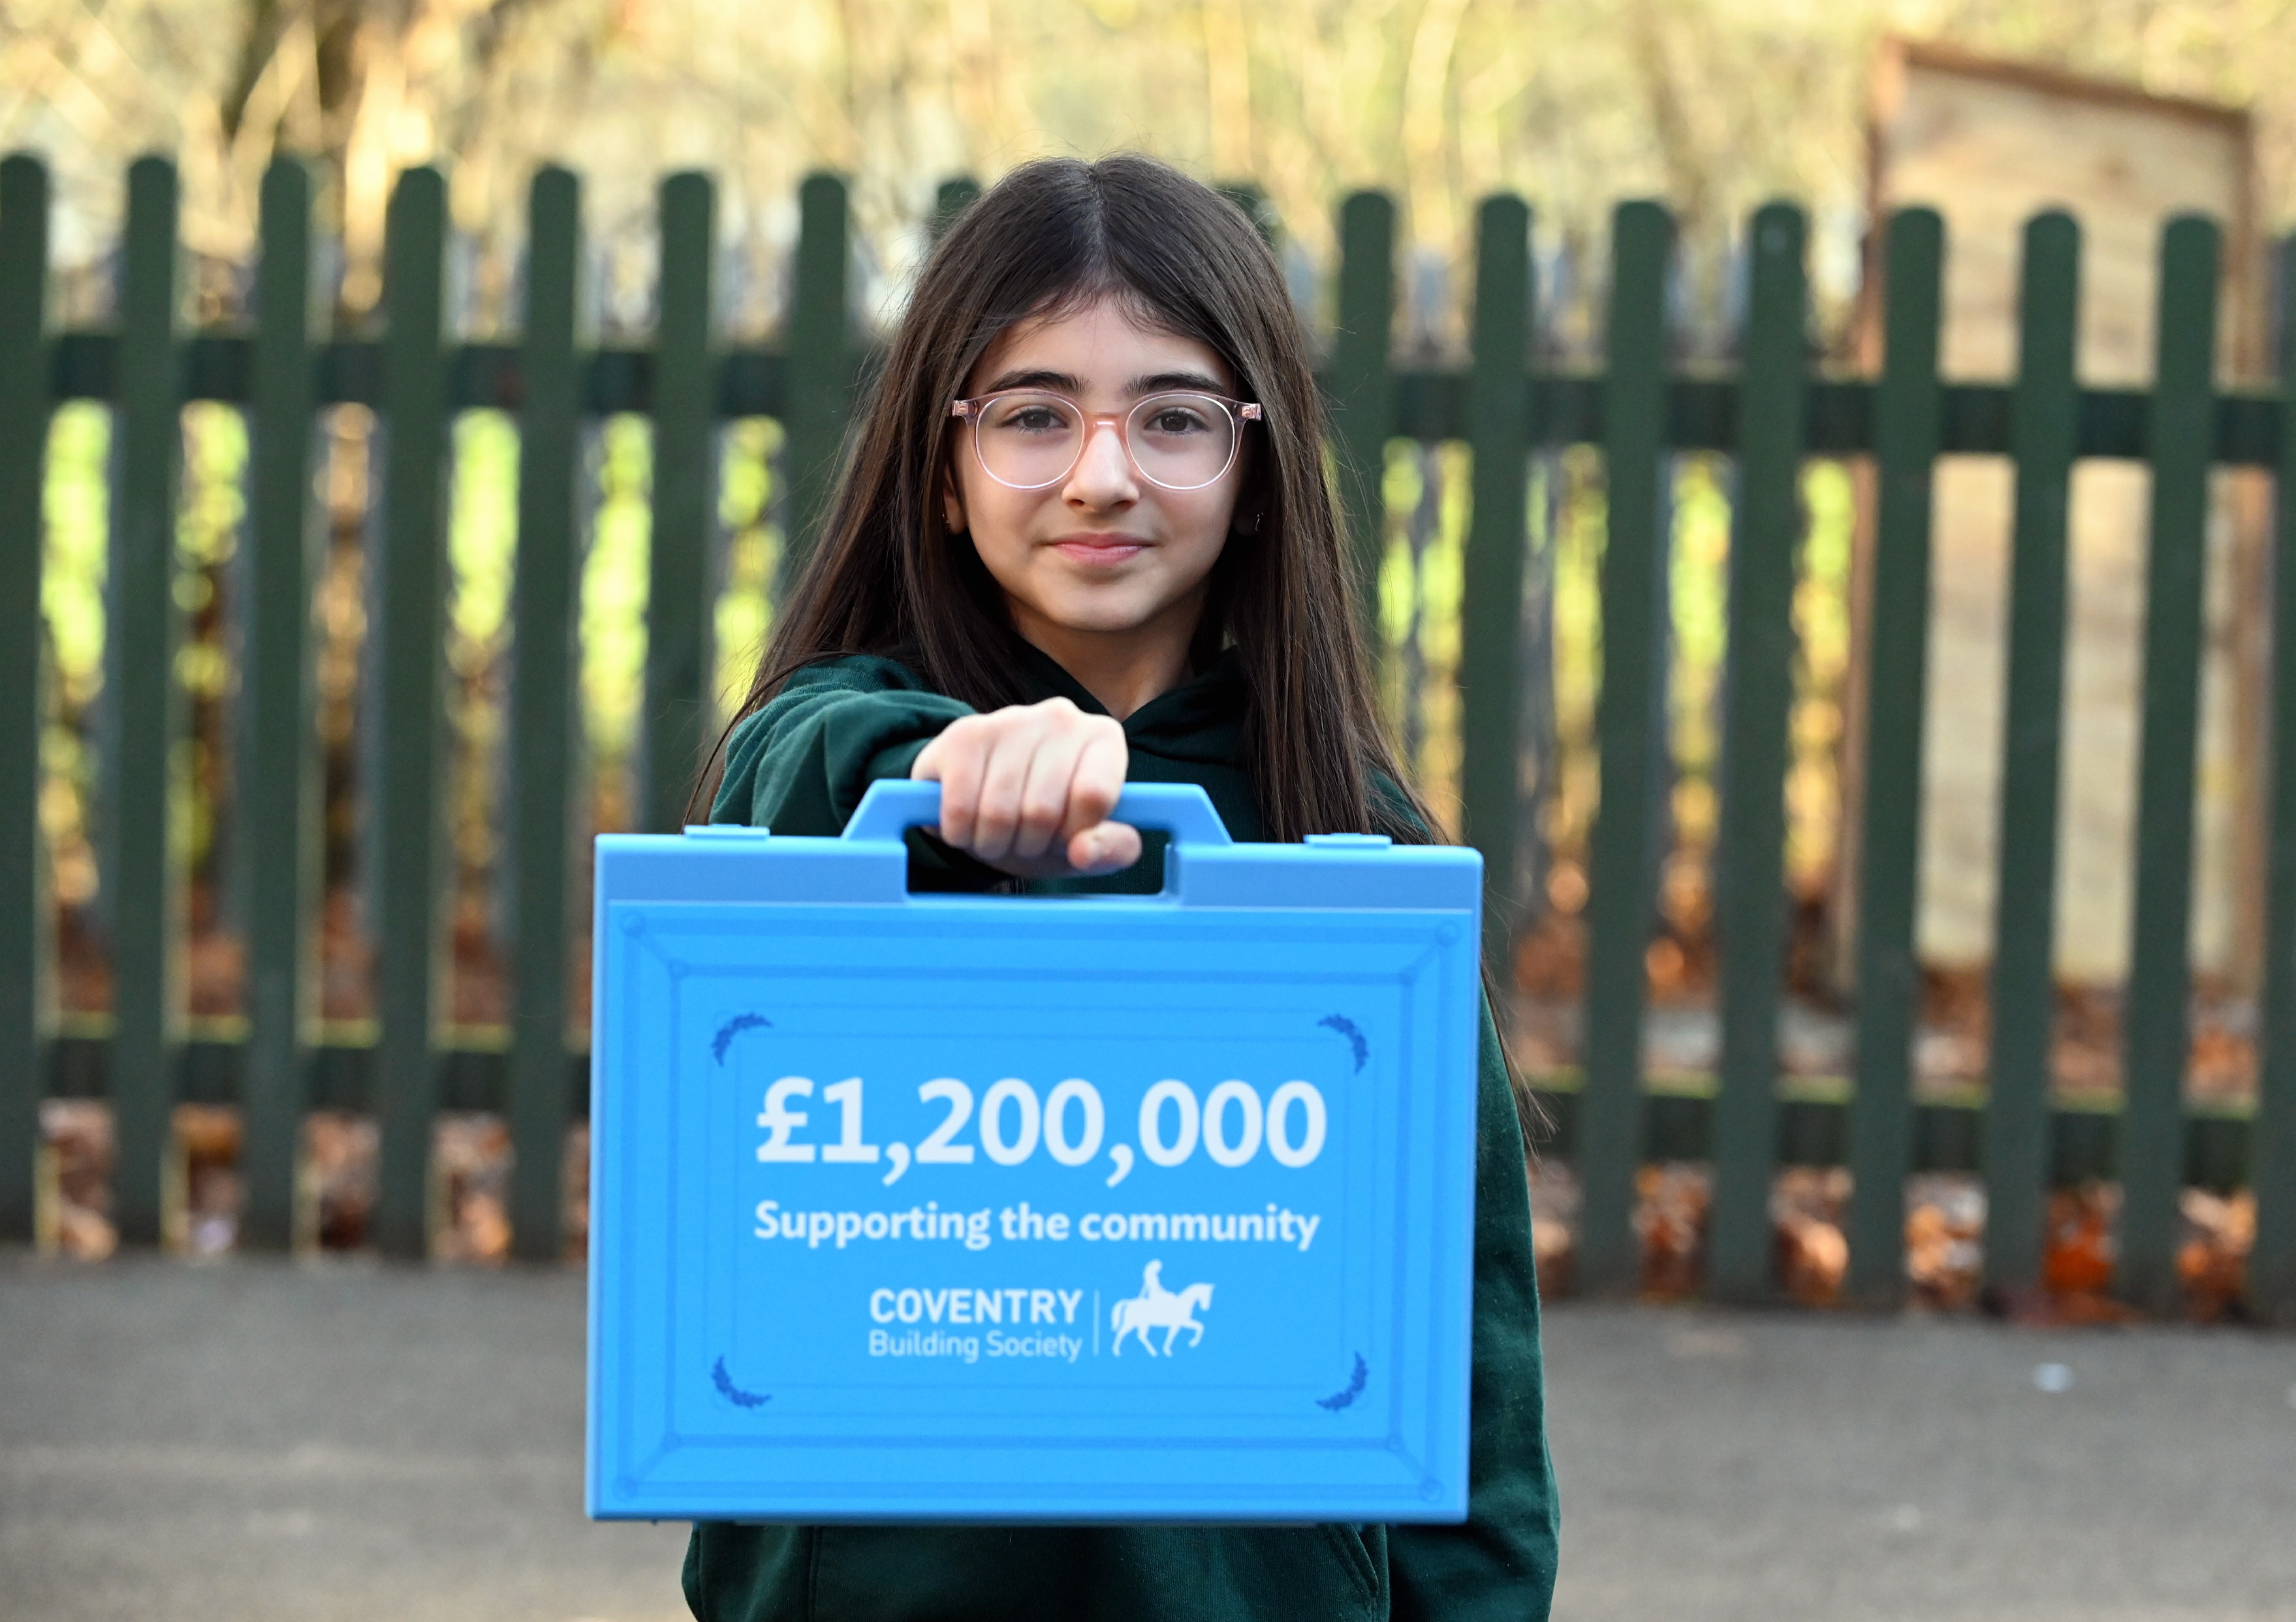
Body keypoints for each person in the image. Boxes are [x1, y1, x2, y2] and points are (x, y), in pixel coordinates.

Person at [689, 152, 1558, 1622]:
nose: (1103, 474)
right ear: (942, 477)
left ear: (1261, 475)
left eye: (1174, 418)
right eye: (1033, 415)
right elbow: (797, 773)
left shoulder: (1352, 854)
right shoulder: (836, 765)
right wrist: (958, 772)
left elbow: (1465, 1374)